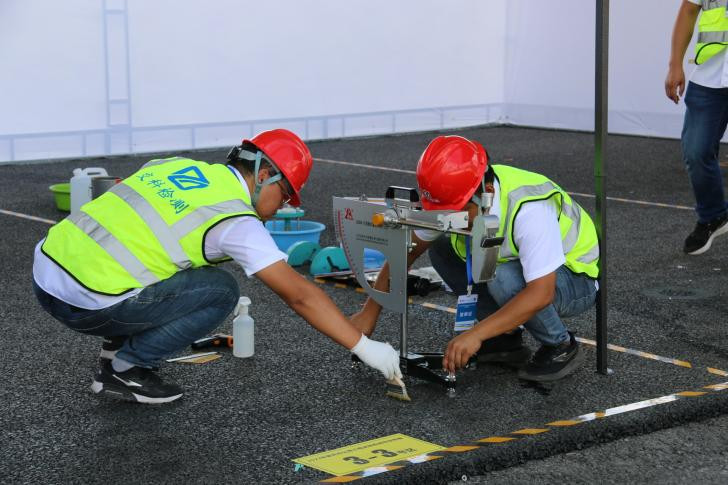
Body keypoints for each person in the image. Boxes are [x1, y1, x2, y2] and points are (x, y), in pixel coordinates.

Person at [32, 128, 401, 404]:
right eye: (285, 196)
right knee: (220, 291)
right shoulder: (234, 218)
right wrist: (365, 347)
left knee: (169, 261)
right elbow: (299, 295)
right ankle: (126, 369)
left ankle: (117, 348)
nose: (282, 208)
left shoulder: (174, 166)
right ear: (263, 176)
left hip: (47, 269)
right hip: (89, 303)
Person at [351, 136, 599, 382]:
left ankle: (560, 345)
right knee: (442, 247)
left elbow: (541, 293)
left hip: (576, 279)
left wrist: (476, 334)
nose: (450, 219)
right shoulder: (460, 192)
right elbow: (409, 250)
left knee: (504, 278)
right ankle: (504, 339)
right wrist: (369, 313)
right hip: (518, 269)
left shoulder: (530, 209)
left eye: (458, 212)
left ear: (487, 193)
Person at [665, 0, 728, 255]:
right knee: (695, 150)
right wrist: (675, 65)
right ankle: (713, 216)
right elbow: (689, 10)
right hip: (710, 76)